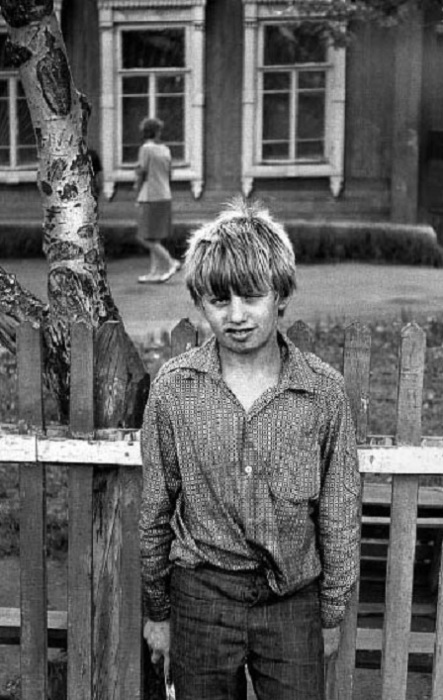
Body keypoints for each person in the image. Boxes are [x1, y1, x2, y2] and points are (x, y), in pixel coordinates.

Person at [139, 199, 361, 700]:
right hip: (200, 596)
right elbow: (155, 507)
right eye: (219, 300)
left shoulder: (322, 393)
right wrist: (158, 610)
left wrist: (330, 612)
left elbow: (340, 513)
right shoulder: (176, 390)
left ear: (280, 295)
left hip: (292, 602)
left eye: (251, 297)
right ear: (200, 303)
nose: (236, 315)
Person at [134, 116, 181, 284]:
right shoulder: (165, 150)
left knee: (144, 237)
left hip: (150, 196)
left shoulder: (145, 149)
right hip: (165, 195)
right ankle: (154, 272)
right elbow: (170, 174)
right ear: (157, 132)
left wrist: (137, 192)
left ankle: (171, 262)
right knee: (155, 237)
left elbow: (141, 173)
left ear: (145, 132)